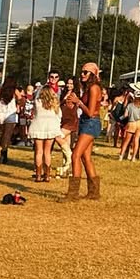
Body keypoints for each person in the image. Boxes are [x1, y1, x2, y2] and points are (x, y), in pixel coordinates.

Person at [66, 61, 103, 200]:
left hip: (91, 123)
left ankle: (73, 193)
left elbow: (91, 112)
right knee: (85, 157)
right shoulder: (88, 88)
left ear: (92, 74)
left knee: (75, 155)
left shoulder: (94, 88)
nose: (82, 74)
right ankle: (94, 192)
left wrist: (78, 102)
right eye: (81, 72)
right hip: (86, 122)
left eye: (85, 72)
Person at [28, 82, 62, 182]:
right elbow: (59, 115)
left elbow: (34, 113)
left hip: (38, 126)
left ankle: (38, 175)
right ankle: (47, 175)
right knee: (47, 152)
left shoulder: (37, 102)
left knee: (39, 151)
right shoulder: (55, 102)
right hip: (51, 127)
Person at [0, 76, 19, 163]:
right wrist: (18, 104)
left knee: (3, 133)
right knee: (7, 135)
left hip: (1, 114)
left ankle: (3, 150)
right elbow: (20, 98)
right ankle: (4, 152)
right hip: (10, 114)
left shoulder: (1, 91)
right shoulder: (14, 91)